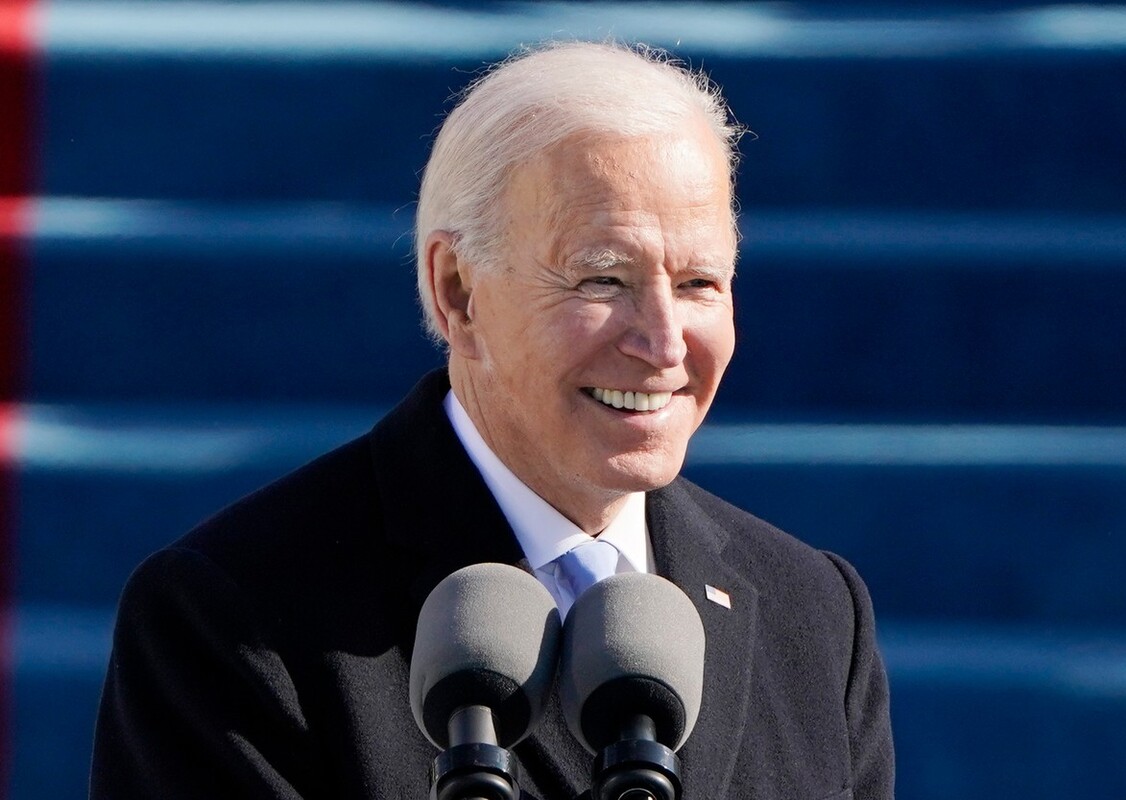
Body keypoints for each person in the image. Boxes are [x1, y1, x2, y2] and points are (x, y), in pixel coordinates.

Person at [90, 41, 894, 799]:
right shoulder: (232, 617)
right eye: (602, 279)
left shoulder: (815, 614)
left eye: (698, 284)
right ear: (458, 292)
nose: (662, 343)